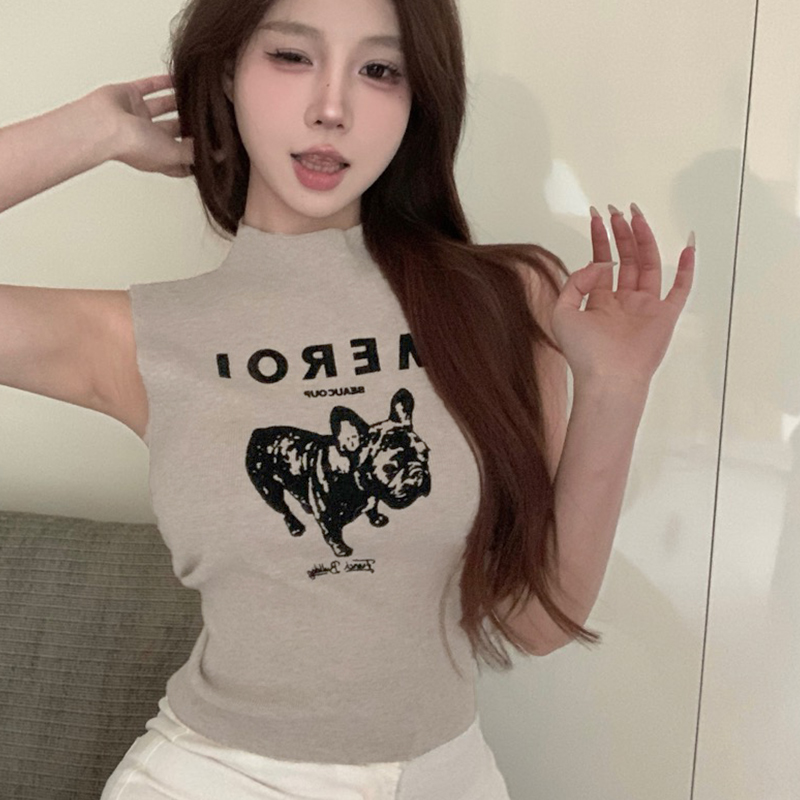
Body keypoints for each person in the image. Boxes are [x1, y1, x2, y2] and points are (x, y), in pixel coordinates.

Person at [0, 0, 696, 797]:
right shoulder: (142, 336)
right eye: (292, 56)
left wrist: (616, 385)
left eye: (379, 69)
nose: (332, 107)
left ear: (417, 98)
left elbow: (538, 620)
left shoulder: (507, 298)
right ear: (227, 73)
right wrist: (92, 130)